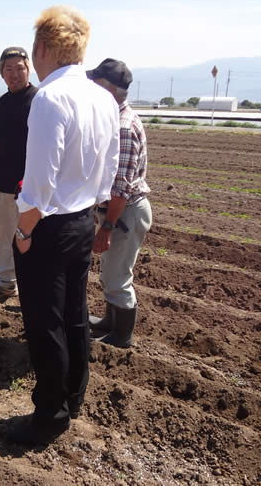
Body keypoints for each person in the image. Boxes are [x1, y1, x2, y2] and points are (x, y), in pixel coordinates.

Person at [9, 6, 119, 445]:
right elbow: (108, 170)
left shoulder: (50, 98)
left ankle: (49, 415)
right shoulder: (103, 97)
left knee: (44, 322)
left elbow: (39, 181)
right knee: (74, 315)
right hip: (82, 220)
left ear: (44, 49)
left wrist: (23, 232)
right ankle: (73, 397)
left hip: (48, 226)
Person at [87, 58, 152, 348]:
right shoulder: (115, 119)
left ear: (108, 89)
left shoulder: (123, 128)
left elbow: (120, 189)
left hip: (123, 213)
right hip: (119, 213)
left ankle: (121, 337)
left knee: (118, 278)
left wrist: (107, 227)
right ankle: (110, 322)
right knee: (111, 271)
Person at [0, 47, 38, 303]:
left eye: (19, 68)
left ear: (28, 69)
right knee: (1, 237)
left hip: (33, 187)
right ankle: (5, 284)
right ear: (1, 74)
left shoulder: (40, 100)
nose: (14, 74)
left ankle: (33, 290)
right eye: (8, 69)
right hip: (3, 184)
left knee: (32, 239)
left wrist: (32, 176)